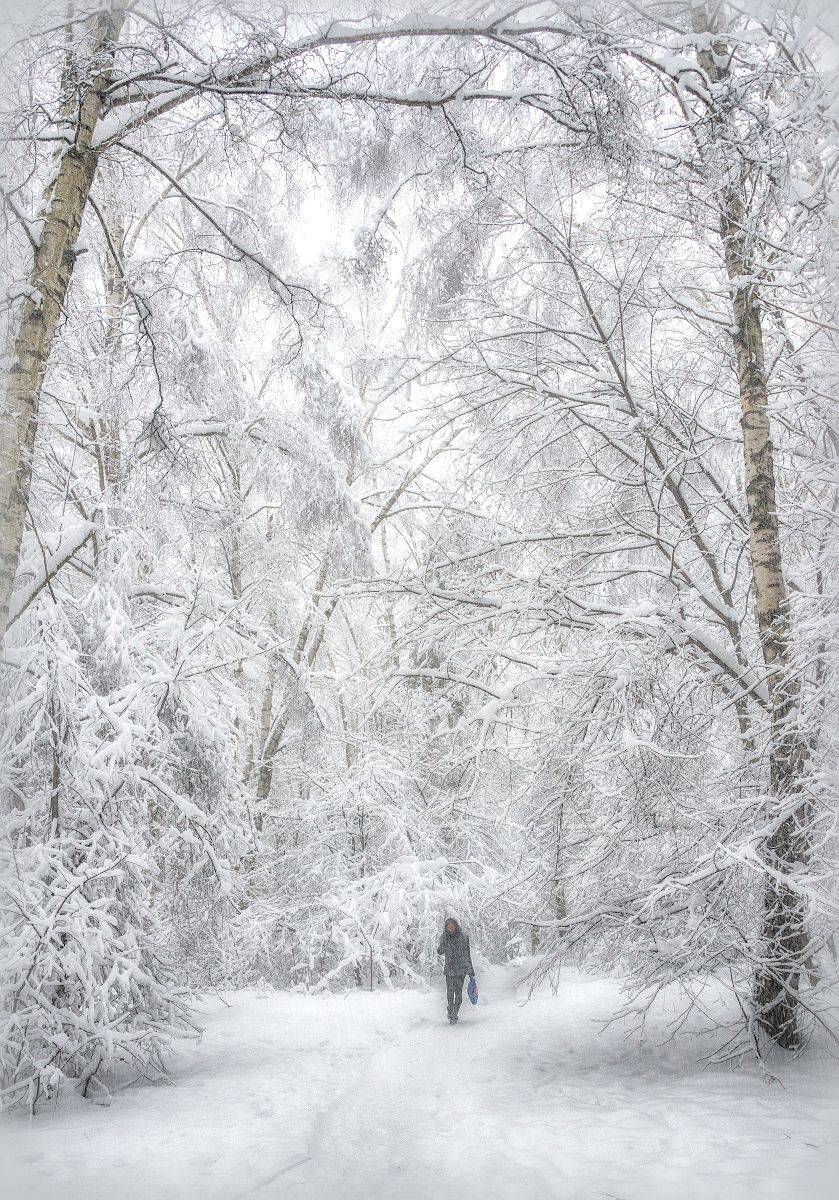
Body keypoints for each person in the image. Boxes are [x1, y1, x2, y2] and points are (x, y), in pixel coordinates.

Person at [436, 916, 475, 1024]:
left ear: (456, 926)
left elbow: (467, 954)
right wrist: (443, 940)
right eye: (448, 927)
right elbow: (439, 951)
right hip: (449, 970)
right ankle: (450, 1008)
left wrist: (471, 970)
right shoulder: (445, 937)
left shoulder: (463, 937)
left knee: (458, 993)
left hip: (461, 970)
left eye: (452, 926)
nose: (450, 928)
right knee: (450, 992)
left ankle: (454, 1013)